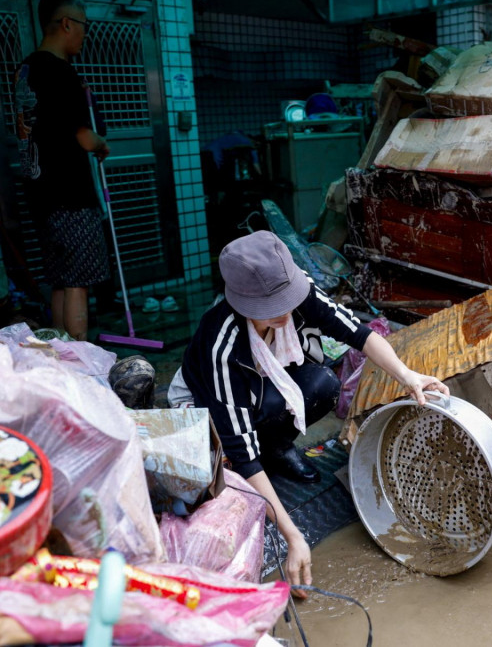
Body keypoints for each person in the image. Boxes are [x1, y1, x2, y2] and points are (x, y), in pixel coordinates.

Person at [173, 231, 449, 597]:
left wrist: (407, 375)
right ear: (242, 304)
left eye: (285, 300)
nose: (285, 311)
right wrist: (291, 534)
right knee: (225, 465)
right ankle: (262, 452)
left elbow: (359, 334)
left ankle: (276, 445)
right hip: (207, 403)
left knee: (322, 386)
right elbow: (241, 453)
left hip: (268, 381)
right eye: (271, 306)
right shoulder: (221, 344)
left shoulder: (300, 292)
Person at [15, 0, 110, 341]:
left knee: (59, 278)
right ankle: (83, 363)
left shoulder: (24, 70)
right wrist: (102, 145)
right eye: (83, 25)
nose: (85, 34)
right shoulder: (62, 73)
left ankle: (59, 358)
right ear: (66, 24)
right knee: (78, 283)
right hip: (70, 193)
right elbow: (84, 137)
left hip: (39, 194)